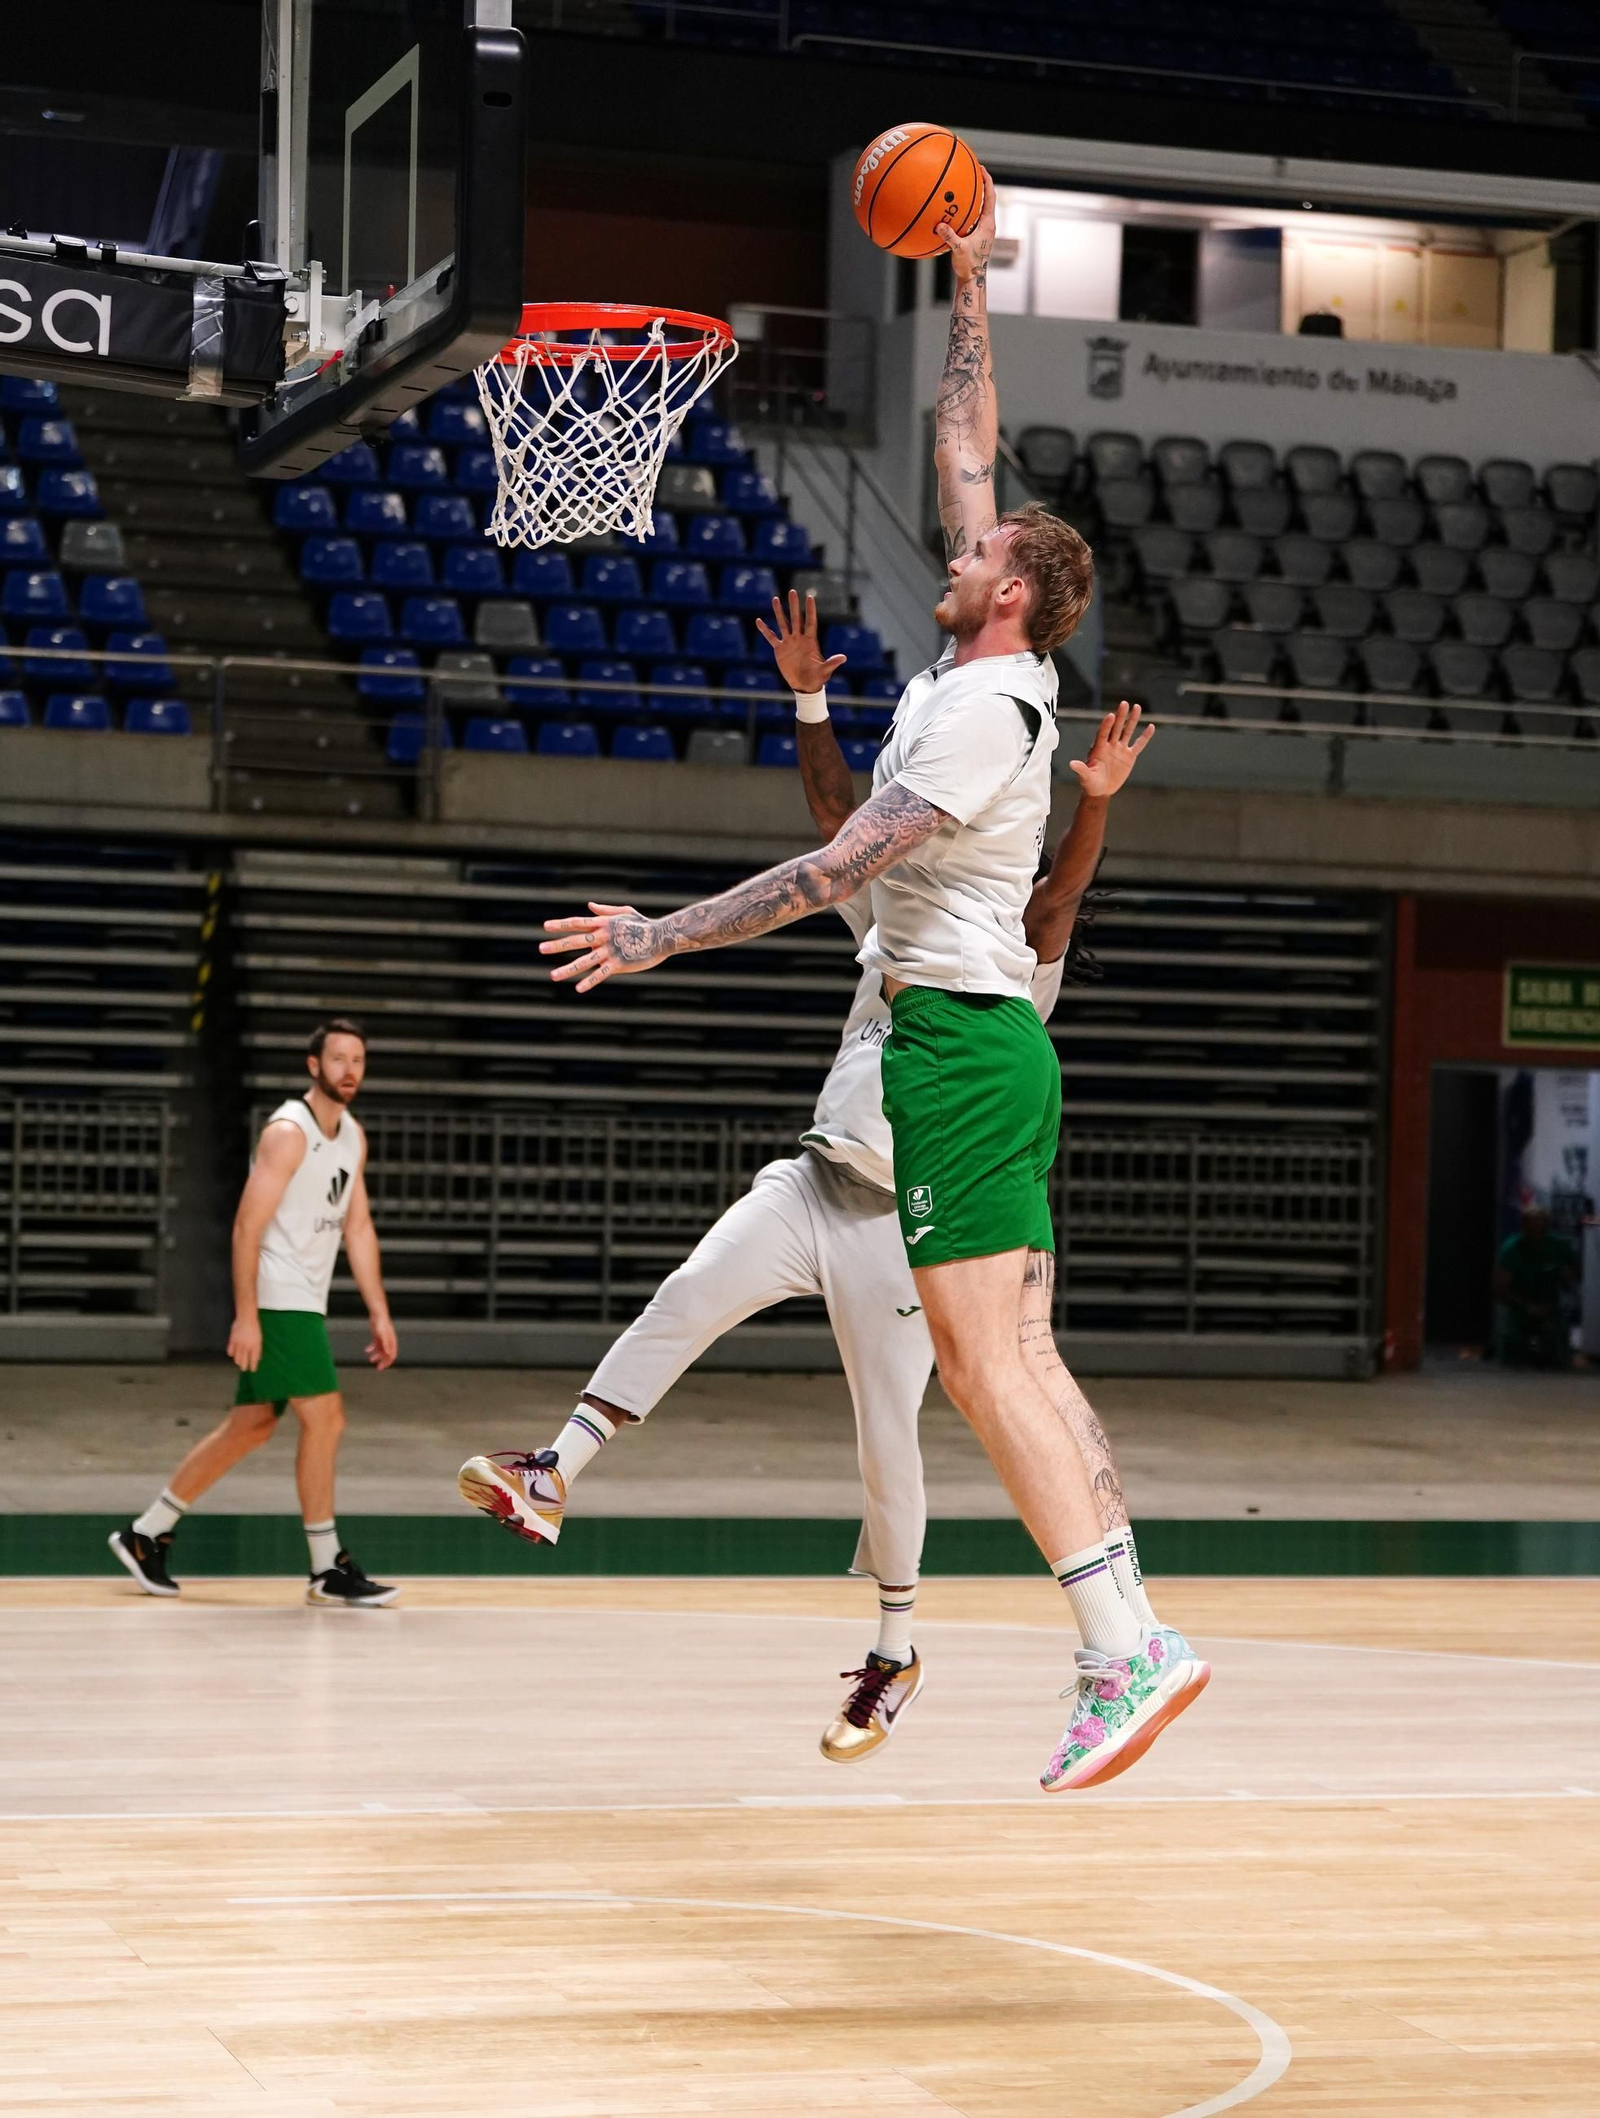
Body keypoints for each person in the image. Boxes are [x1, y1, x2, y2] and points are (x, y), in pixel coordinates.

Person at [534, 174, 1204, 1792]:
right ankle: (1127, 1635)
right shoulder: (964, 667)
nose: (952, 540)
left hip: (965, 1046)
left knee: (981, 1369)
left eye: (975, 551)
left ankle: (1127, 1646)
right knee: (1006, 1363)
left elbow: (836, 870)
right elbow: (968, 444)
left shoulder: (988, 712)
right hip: (965, 1052)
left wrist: (654, 935)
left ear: (1020, 593)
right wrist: (967, 280)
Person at [461, 677, 1182, 1761]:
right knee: (688, 1290)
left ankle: (894, 1654)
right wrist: (807, 702)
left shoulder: (1002, 977)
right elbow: (838, 826)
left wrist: (1097, 802)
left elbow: (1053, 904)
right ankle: (552, 1470)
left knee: (889, 1444)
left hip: (904, 1226)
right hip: (817, 1179)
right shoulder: (899, 921)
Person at [109, 1019, 400, 1606]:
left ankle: (147, 1533)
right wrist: (246, 1314)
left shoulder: (351, 1137)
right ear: (313, 1066)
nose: (350, 1070)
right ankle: (327, 1564)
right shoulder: (288, 1133)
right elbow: (247, 1226)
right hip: (278, 1296)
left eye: (359, 1060)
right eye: (338, 1059)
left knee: (252, 1425)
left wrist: (380, 1312)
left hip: (305, 1299)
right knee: (327, 1418)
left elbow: (359, 1226)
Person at [1494, 1202, 1578, 1369]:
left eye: (1540, 1223)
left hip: (1550, 1303)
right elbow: (1500, 1287)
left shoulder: (1558, 1246)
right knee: (1512, 1345)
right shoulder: (1512, 1249)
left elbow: (1575, 1271)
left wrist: (1566, 1275)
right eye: (1531, 1223)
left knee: (1558, 1342)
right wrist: (1528, 1307)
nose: (1536, 1228)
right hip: (1517, 1304)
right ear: (1523, 1225)